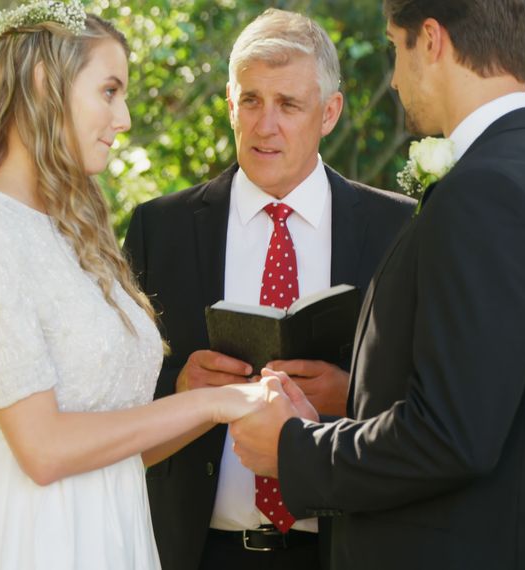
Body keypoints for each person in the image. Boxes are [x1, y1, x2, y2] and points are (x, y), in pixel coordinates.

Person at [231, 0, 525, 568]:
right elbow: (478, 410)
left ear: (430, 40)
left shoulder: (489, 189)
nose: (395, 76)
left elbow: (450, 436)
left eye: (393, 47)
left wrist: (295, 447)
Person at [0, 3, 268, 569]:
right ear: (47, 83)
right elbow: (44, 451)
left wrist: (220, 406)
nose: (123, 119)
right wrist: (214, 401)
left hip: (112, 531)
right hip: (30, 536)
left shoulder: (76, 230)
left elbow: (124, 447)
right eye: (109, 91)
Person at [124, 8, 414, 569]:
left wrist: (353, 396)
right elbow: (111, 399)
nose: (265, 125)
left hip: (341, 551)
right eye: (251, 100)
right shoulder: (161, 229)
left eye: (288, 104)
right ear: (230, 105)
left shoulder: (397, 230)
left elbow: (431, 402)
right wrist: (183, 389)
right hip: (196, 552)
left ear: (329, 113)